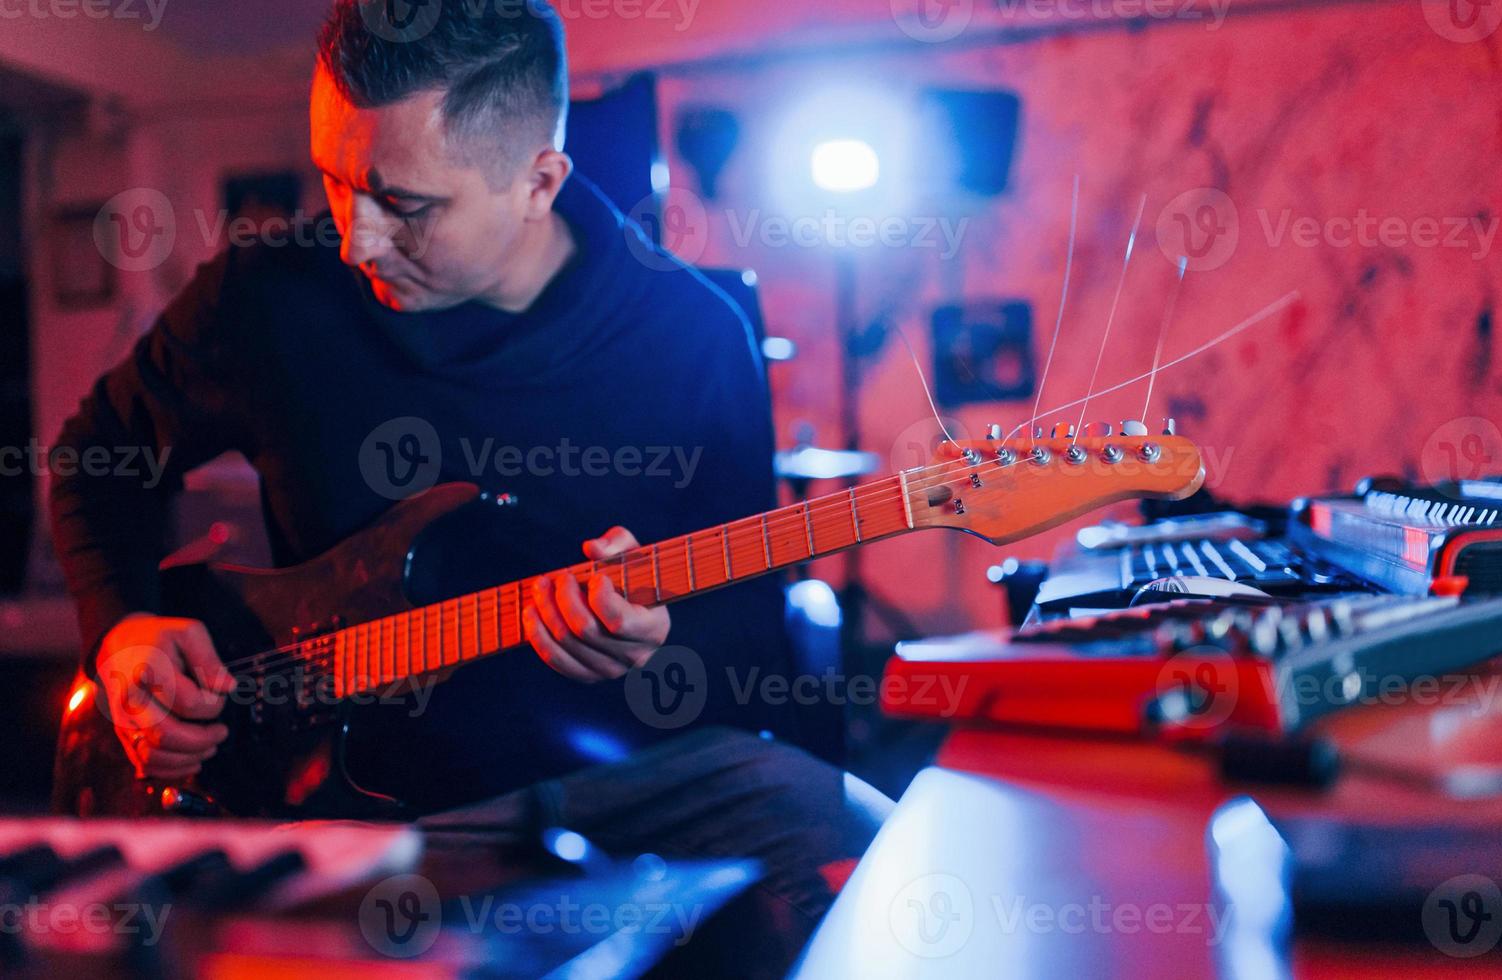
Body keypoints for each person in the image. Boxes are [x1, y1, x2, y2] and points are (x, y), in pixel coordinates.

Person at [49, 1, 889, 971]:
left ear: (539, 181)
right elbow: (93, 456)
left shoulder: (692, 334)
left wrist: (658, 638)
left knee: (872, 853)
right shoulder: (267, 295)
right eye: (335, 179)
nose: (355, 239)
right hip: (338, 796)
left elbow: (751, 634)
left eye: (403, 203)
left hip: (633, 774)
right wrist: (121, 629)